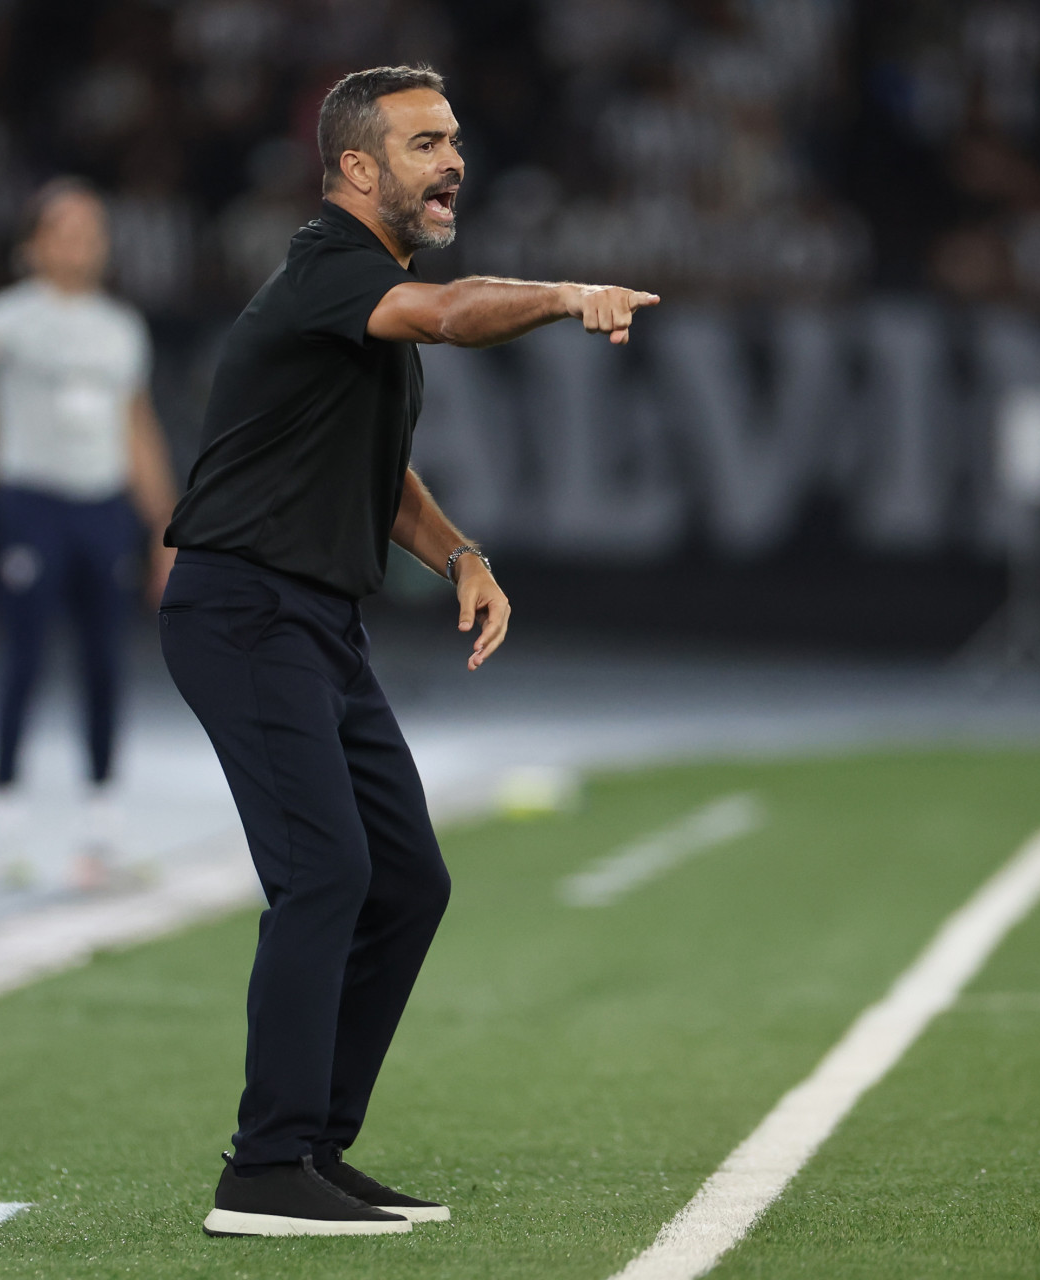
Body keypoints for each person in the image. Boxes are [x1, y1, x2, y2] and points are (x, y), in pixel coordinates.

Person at [159, 65, 657, 1238]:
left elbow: (375, 474)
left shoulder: (362, 300)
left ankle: (314, 1149)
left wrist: (461, 554)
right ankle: (263, 1166)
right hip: (243, 611)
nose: (453, 161)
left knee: (408, 881)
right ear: (354, 170)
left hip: (317, 621)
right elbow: (456, 310)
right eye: (425, 142)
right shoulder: (335, 269)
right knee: (326, 872)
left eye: (454, 140)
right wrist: (565, 292)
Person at [0, 179, 179, 889]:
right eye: (64, 229)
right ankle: (3, 831)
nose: (79, 242)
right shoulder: (15, 317)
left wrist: (165, 526)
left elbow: (137, 426)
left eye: (90, 229)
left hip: (103, 507)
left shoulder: (121, 329)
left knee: (104, 664)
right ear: (33, 245)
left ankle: (102, 830)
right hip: (33, 505)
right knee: (22, 661)